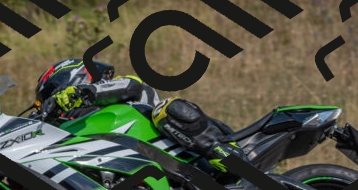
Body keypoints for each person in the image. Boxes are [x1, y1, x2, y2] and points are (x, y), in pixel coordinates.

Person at [35, 58, 252, 181]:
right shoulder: (76, 133)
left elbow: (133, 85)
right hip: (152, 172)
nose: (50, 106)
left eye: (49, 97)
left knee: (166, 110)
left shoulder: (114, 90)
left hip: (185, 151)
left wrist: (80, 94)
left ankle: (229, 156)